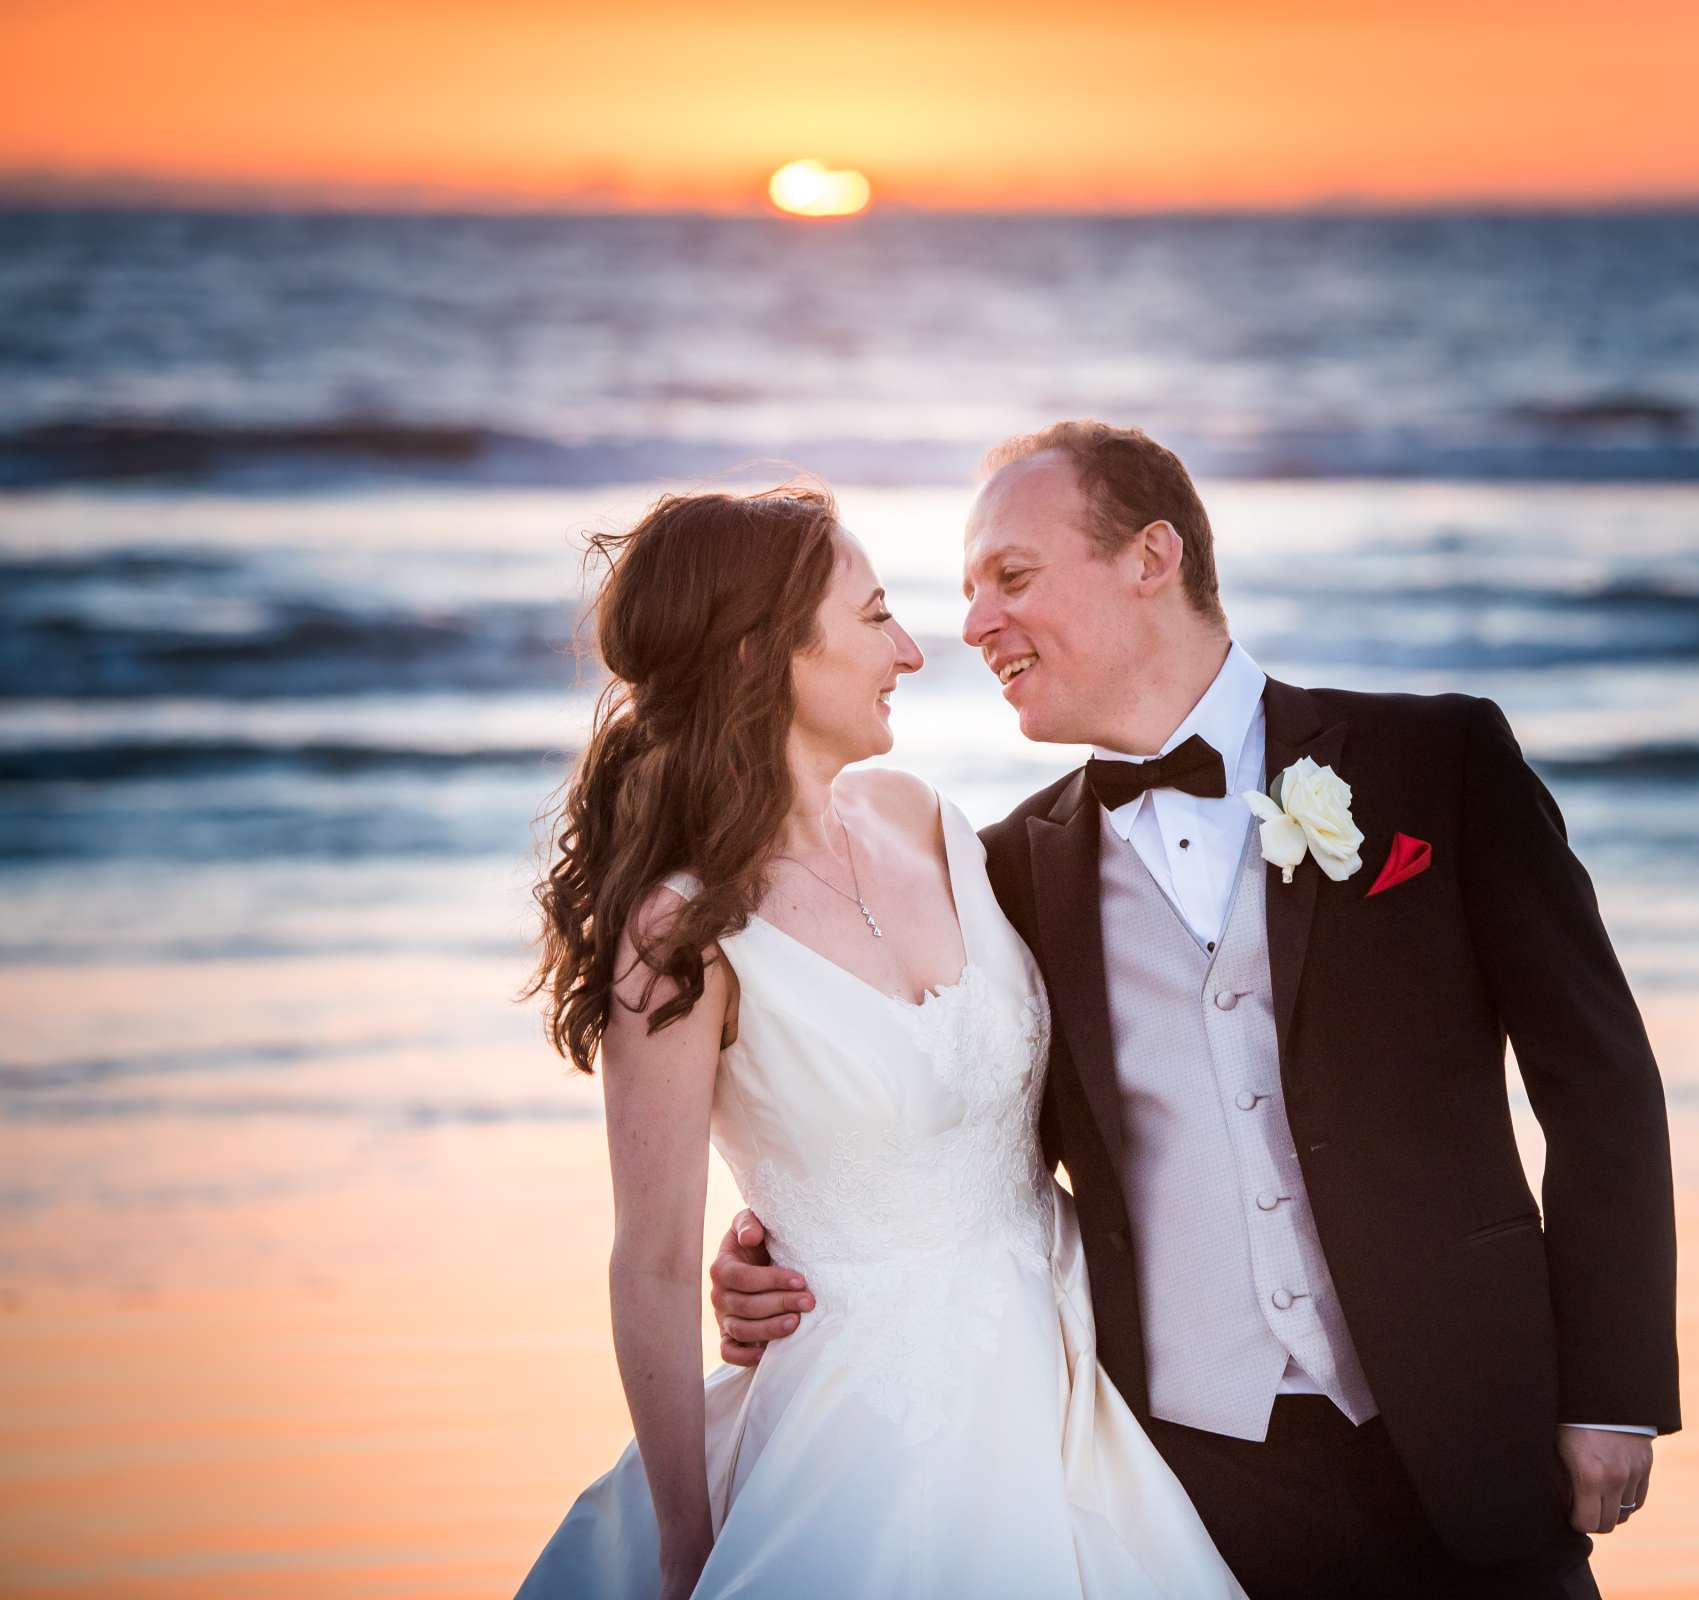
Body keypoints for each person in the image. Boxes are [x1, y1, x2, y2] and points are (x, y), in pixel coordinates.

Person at [713, 424, 1681, 1597]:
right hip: (1188, 1488)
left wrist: (1612, 1389)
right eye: (968, 593)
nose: (972, 629)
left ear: (1151, 557)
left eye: (1011, 579)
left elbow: (1600, 1086)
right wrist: (788, 1243)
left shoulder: (1438, 762)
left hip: (1474, 1425)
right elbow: (956, 1134)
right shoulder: (1007, 872)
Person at [517, 484, 1245, 1598]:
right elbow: (652, 1261)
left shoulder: (926, 819)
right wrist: (685, 1540)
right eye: (873, 618)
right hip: (867, 1425)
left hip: (1069, 1372)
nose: (909, 650)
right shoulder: (678, 932)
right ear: (765, 654)